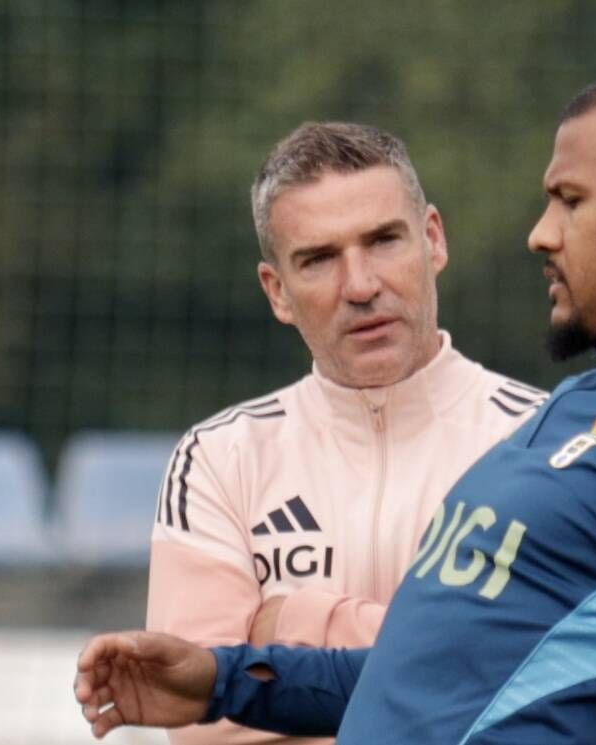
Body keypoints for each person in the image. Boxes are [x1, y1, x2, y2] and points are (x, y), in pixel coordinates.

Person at [76, 67, 596, 744]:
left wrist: (292, 623)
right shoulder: (578, 410)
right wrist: (223, 678)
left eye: (570, 199)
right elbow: (431, 670)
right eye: (320, 258)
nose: (542, 233)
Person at [147, 121, 547, 744]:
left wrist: (296, 625)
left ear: (434, 240)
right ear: (276, 291)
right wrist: (449, 662)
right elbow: (207, 728)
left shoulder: (547, 440)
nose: (360, 286)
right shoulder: (221, 459)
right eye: (319, 259)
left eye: (384, 241)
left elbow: (551, 696)